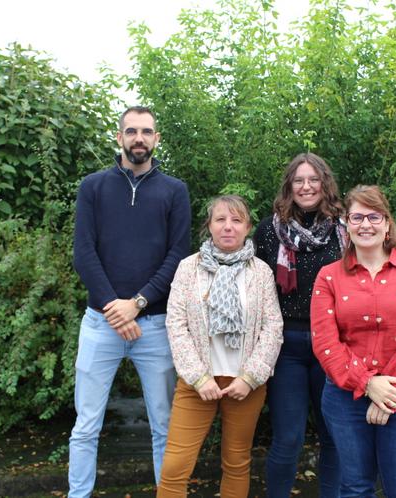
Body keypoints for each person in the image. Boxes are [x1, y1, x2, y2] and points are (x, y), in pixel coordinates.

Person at [68, 106, 191, 498]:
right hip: (99, 323)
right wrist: (114, 309)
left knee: (164, 424)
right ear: (119, 137)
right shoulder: (93, 187)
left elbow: (178, 256)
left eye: (147, 132)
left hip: (154, 325)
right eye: (132, 131)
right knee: (86, 425)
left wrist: (136, 303)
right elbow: (84, 253)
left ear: (157, 139)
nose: (139, 138)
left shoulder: (175, 191)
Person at [310, 184, 396, 498]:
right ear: (345, 223)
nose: (365, 225)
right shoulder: (328, 277)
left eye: (373, 216)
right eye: (357, 217)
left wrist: (389, 391)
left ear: (386, 223)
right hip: (344, 399)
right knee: (354, 488)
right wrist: (368, 384)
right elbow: (325, 343)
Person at [157, 195, 283, 498]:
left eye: (237, 220)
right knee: (174, 466)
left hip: (245, 386)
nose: (229, 227)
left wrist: (250, 378)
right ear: (209, 226)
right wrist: (199, 378)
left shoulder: (261, 272)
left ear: (248, 227)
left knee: (237, 462)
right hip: (196, 383)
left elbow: (273, 327)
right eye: (221, 220)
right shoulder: (189, 268)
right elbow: (175, 324)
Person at [254, 153, 345, 497]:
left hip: (333, 345)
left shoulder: (344, 230)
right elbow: (258, 289)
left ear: (325, 184)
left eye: (313, 179)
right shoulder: (268, 231)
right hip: (285, 347)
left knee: (333, 435)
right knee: (287, 438)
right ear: (289, 186)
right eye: (299, 180)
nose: (306, 186)